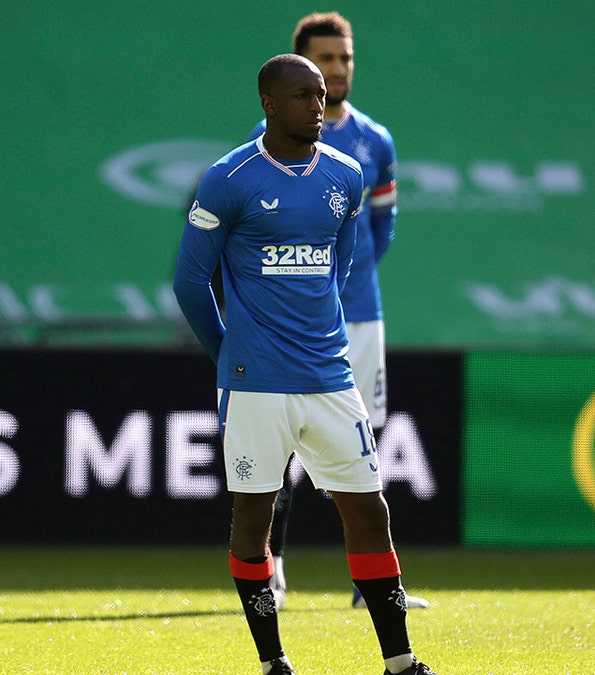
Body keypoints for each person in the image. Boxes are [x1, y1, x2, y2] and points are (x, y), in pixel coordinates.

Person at [173, 53, 435, 675]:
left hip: (329, 380)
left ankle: (400, 662)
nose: (318, 106)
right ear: (268, 103)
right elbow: (190, 281)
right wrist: (228, 355)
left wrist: (319, 336)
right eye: (302, 96)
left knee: (370, 510)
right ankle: (273, 662)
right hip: (254, 386)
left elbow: (342, 265)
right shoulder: (229, 177)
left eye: (321, 95)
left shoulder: (346, 174)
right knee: (253, 518)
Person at [247, 11, 429, 612]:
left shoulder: (375, 141)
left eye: (345, 59)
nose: (338, 69)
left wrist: (338, 280)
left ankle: (368, 586)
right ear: (301, 66)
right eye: (326, 59)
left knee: (364, 443)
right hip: (292, 327)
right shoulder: (269, 143)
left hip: (360, 316)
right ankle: (269, 572)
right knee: (285, 447)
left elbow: (384, 224)